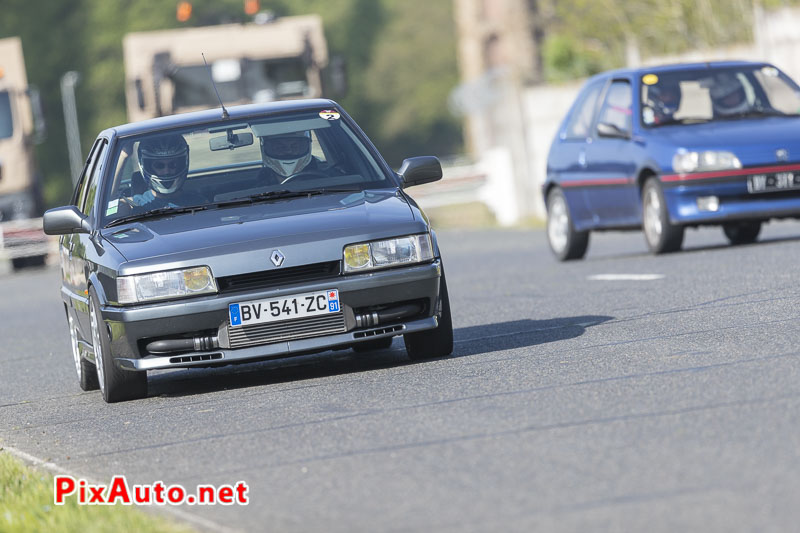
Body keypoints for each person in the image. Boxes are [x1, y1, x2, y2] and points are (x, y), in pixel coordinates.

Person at [120, 133, 204, 212]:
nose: (166, 171)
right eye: (159, 166)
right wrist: (124, 155)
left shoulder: (197, 201)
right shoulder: (136, 203)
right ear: (148, 167)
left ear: (181, 165)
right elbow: (109, 210)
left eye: (173, 165)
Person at [256, 130, 331, 185]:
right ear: (267, 148)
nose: (288, 151)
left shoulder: (323, 182)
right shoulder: (261, 188)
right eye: (280, 147)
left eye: (294, 146)